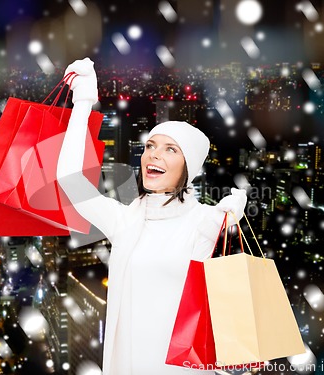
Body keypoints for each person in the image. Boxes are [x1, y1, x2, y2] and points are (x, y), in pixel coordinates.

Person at [56, 58, 248, 375]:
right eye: (150, 146)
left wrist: (225, 224)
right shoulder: (126, 221)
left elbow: (223, 311)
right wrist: (84, 101)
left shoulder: (204, 222)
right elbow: (69, 180)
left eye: (171, 149)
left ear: (189, 168)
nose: (154, 154)